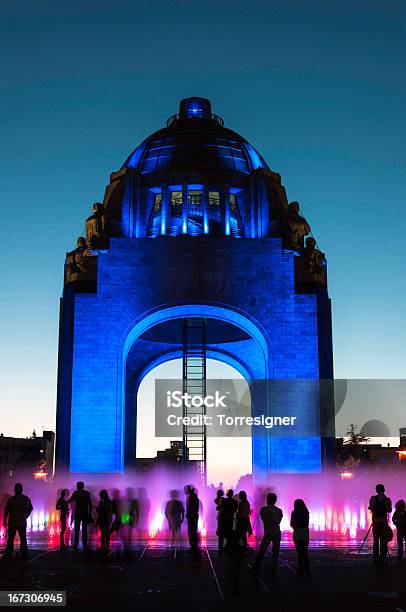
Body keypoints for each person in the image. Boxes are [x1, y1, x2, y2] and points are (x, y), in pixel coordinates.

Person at [252, 492, 283, 575]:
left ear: (267, 500)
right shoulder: (279, 510)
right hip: (276, 532)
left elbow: (263, 518)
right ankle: (274, 569)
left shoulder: (263, 509)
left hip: (268, 532)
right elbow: (279, 521)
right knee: (275, 552)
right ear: (275, 500)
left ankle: (255, 567)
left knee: (262, 550)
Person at [3, 483, 33, 559]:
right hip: (22, 522)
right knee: (23, 538)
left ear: (15, 490)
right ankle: (24, 553)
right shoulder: (26, 499)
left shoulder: (11, 499)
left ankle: (9, 553)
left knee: (11, 538)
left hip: (12, 522)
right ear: (22, 490)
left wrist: (4, 520)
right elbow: (30, 509)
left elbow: (6, 510)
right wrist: (26, 516)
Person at [368, 483, 392, 565]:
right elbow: (389, 510)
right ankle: (383, 558)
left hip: (375, 521)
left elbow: (370, 507)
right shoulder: (387, 499)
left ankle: (376, 558)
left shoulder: (373, 498)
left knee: (375, 540)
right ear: (384, 489)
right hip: (384, 522)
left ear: (376, 490)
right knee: (383, 540)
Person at [68, 481, 92, 550]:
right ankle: (85, 545)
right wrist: (89, 513)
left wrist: (64, 501)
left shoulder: (76, 493)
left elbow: (70, 500)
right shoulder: (86, 493)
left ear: (77, 486)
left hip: (78, 513)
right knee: (84, 530)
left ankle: (76, 544)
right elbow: (90, 504)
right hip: (85, 513)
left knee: (77, 529)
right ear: (83, 486)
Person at [290, 499, 310, 575]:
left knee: (299, 552)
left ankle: (300, 569)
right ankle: (307, 569)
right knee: (305, 552)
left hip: (297, 533)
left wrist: (296, 527)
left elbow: (291, 524)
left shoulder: (294, 513)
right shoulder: (306, 513)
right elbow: (306, 523)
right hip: (305, 533)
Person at [184, 485, 200, 555]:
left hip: (192, 517)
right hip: (194, 516)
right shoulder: (194, 497)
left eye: (185, 489)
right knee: (193, 532)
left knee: (192, 532)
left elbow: (191, 508)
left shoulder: (191, 497)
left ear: (188, 490)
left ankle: (193, 548)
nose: (184, 491)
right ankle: (194, 547)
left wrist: (189, 515)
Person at [221, 489, 238, 554]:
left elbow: (221, 508)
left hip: (224, 518)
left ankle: (226, 546)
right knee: (230, 532)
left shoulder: (224, 501)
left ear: (227, 494)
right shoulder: (235, 501)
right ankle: (229, 546)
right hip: (230, 518)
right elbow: (235, 510)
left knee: (225, 532)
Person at [96, 490, 113, 554]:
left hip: (103, 519)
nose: (99, 496)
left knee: (104, 533)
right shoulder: (108, 502)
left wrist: (97, 508)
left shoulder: (103, 502)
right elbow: (109, 511)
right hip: (104, 519)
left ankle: (104, 547)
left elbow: (102, 511)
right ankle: (105, 547)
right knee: (105, 533)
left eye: (100, 494)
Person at [214, 489, 225, 554]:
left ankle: (220, 548)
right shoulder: (224, 500)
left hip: (221, 517)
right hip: (223, 517)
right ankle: (222, 547)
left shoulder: (219, 500)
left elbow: (215, 500)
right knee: (222, 533)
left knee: (220, 533)